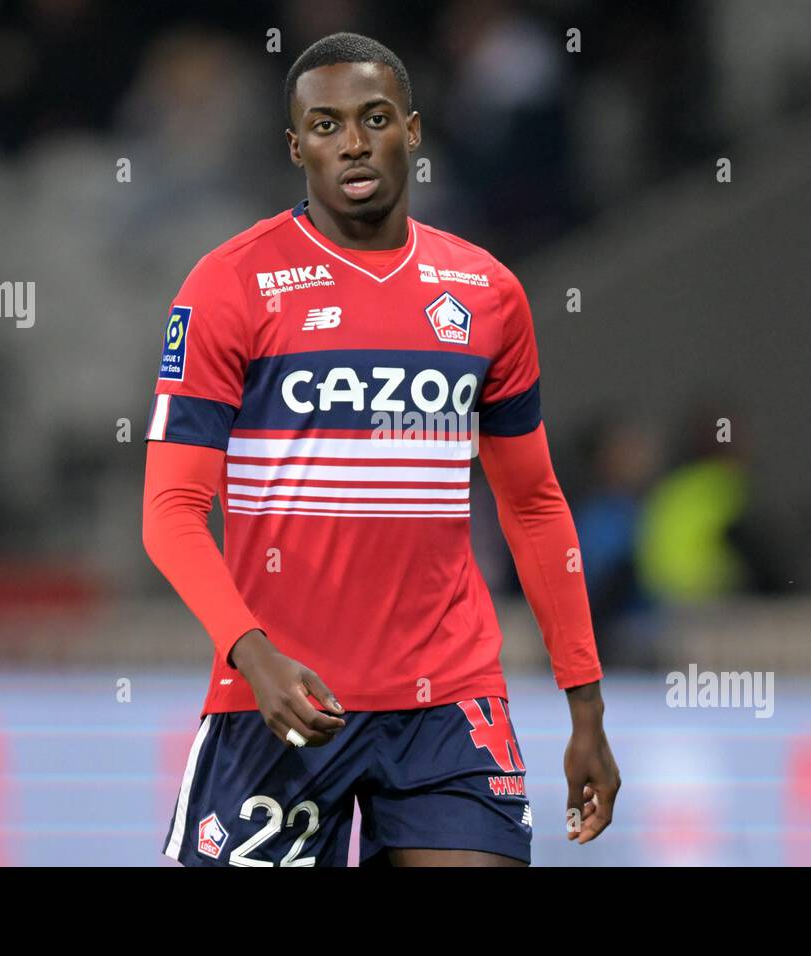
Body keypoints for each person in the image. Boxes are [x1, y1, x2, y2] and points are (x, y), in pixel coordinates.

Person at [142, 32, 618, 867]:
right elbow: (171, 511)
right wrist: (252, 655)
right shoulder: (229, 285)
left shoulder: (487, 294)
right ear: (296, 147)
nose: (353, 143)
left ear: (414, 131)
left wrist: (585, 706)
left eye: (374, 118)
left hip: (449, 706)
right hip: (284, 699)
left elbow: (533, 503)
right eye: (325, 126)